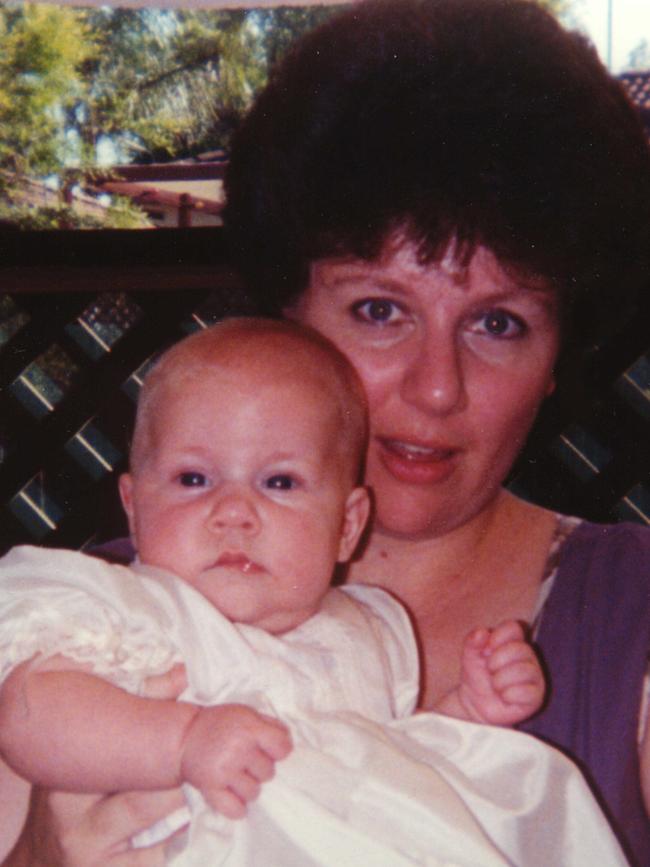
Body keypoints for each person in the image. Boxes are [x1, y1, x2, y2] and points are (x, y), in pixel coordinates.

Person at [4, 0, 650, 864]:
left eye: (498, 325)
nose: (436, 386)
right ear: (287, 314)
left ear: (560, 354)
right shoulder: (111, 619)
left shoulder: (629, 618)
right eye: (380, 309)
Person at [2, 317, 601, 867]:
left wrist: (464, 716)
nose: (233, 512)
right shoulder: (129, 610)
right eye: (193, 479)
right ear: (133, 509)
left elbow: (388, 770)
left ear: (346, 524)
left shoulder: (370, 630)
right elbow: (29, 712)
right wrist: (180, 741)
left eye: (280, 481)